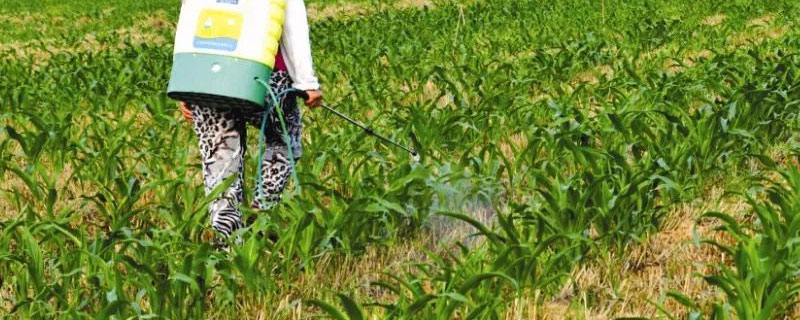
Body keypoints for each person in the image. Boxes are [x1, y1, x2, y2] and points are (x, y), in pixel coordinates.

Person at [178, 0, 323, 239]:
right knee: (285, 139)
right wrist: (306, 82)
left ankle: (226, 240)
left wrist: (185, 82)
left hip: (205, 75)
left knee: (219, 160)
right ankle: (262, 213)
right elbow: (292, 16)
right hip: (263, 73)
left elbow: (190, 15)